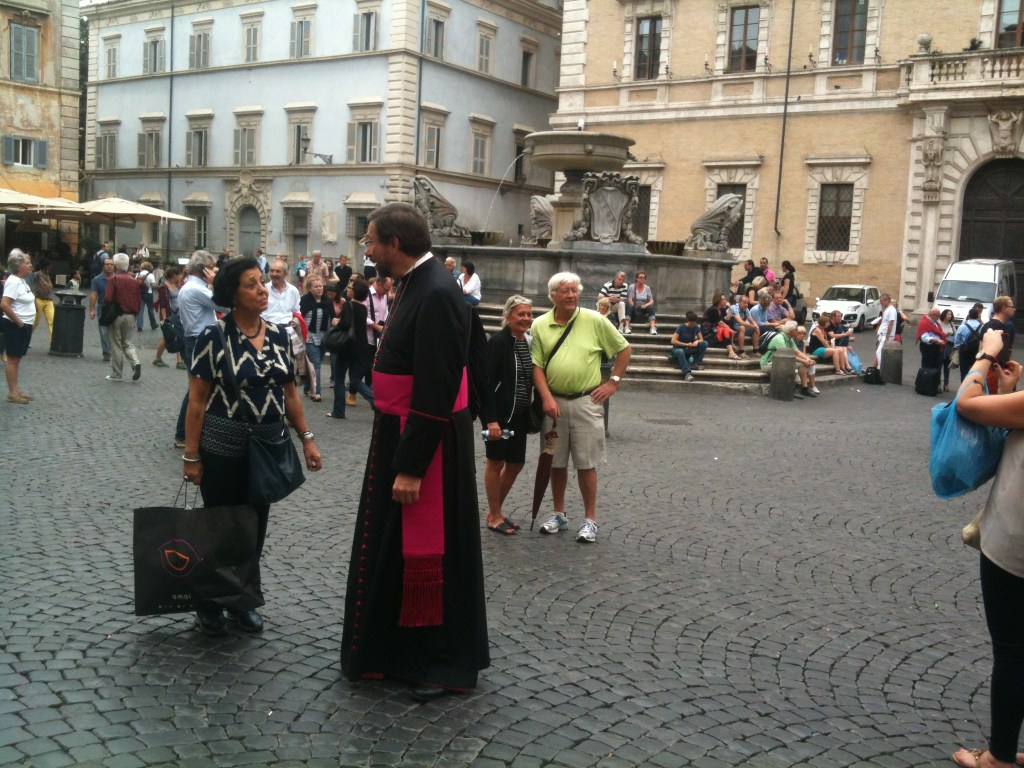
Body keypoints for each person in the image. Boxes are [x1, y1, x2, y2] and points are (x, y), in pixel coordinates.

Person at [340, 202, 489, 702]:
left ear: (395, 246)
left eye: (370, 239)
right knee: (394, 548)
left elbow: (438, 386)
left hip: (425, 439)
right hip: (399, 430)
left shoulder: (438, 293)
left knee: (430, 555)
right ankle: (396, 652)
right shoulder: (413, 285)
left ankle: (437, 663)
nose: (366, 247)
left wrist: (411, 465)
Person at [183, 256, 322, 636]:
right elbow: (196, 401)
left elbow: (291, 394)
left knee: (254, 529)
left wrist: (307, 438)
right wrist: (191, 457)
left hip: (267, 446)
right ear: (232, 294)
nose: (262, 290)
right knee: (221, 527)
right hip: (223, 446)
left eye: (262, 282)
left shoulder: (280, 335)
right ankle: (209, 604)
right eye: (252, 284)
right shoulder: (215, 337)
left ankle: (242, 602)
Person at [952, 328, 1024, 768]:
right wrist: (1011, 392)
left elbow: (967, 404)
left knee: (1013, 650)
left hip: (1016, 544)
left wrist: (984, 355)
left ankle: (997, 757)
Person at [532, 272, 631, 543]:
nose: (571, 295)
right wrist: (546, 398)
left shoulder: (594, 319)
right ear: (553, 295)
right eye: (565, 291)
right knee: (556, 462)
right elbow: (537, 366)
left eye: (575, 290)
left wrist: (613, 382)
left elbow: (624, 349)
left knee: (587, 464)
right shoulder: (540, 324)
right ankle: (559, 514)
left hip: (586, 402)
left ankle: (590, 519)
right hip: (554, 404)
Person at [481, 295, 535, 535]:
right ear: (508, 316)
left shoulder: (527, 342)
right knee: (495, 462)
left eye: (528, 314)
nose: (525, 318)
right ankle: (494, 515)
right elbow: (486, 384)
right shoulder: (498, 342)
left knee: (516, 463)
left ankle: (495, 511)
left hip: (520, 415)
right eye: (520, 314)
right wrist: (490, 419)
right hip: (500, 416)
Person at [174, 251, 219, 449]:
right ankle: (183, 434)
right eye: (213, 268)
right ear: (204, 270)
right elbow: (224, 304)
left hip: (195, 338)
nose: (215, 271)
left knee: (197, 388)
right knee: (196, 390)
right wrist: (217, 283)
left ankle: (187, 432)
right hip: (200, 340)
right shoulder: (196, 289)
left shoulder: (191, 286)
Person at [328, 279, 374, 418]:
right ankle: (374, 400)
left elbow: (346, 324)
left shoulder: (349, 305)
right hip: (360, 347)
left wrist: (337, 322)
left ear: (355, 291)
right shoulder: (363, 308)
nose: (347, 289)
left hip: (347, 347)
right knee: (355, 380)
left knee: (340, 379)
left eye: (350, 287)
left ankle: (338, 411)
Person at [1, 250, 36, 404]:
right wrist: (18, 321)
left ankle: (15, 389)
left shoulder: (22, 280)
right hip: (16, 325)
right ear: (19, 266)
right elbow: (4, 304)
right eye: (27, 263)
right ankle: (12, 392)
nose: (30, 265)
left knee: (17, 359)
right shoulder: (14, 281)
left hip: (24, 324)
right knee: (13, 358)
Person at [104, 253, 143, 384]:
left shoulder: (113, 279)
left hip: (117, 315)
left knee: (116, 344)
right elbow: (138, 300)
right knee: (127, 342)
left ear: (115, 265)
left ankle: (117, 373)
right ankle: (135, 362)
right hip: (131, 315)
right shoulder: (134, 281)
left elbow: (108, 298)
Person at [760, 320, 816, 398]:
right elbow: (788, 356)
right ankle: (791, 389)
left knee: (803, 365)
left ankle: (804, 388)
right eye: (796, 329)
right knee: (789, 366)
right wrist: (804, 360)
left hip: (782, 361)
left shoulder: (790, 338)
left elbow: (797, 352)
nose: (797, 331)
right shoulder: (779, 339)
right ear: (791, 331)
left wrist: (808, 359)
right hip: (768, 364)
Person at [299, 274, 332, 402]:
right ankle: (316, 392)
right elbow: (299, 317)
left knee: (313, 364)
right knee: (316, 364)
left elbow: (332, 316)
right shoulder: (305, 301)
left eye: (321, 286)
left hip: (324, 337)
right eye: (316, 286)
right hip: (309, 337)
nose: (319, 288)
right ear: (310, 288)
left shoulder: (327, 301)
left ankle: (307, 387)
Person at [980, 296, 1017, 392]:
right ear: (1004, 309)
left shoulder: (988, 324)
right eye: (1012, 307)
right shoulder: (999, 326)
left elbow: (980, 349)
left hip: (987, 369)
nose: (1014, 309)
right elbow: (1003, 354)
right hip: (995, 371)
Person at [153, 266, 183, 368]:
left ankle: (179, 361)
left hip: (177, 315)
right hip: (169, 316)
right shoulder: (163, 287)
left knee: (178, 336)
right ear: (174, 275)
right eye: (179, 274)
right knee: (167, 338)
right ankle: (157, 358)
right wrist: (165, 319)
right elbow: (163, 303)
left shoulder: (176, 285)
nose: (180, 276)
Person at [89, 258, 115, 362]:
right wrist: (92, 309)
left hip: (115, 307)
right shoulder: (97, 279)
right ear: (103, 266)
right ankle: (107, 353)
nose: (109, 266)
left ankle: (115, 351)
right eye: (107, 264)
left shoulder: (117, 278)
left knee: (114, 330)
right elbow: (93, 294)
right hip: (103, 306)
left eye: (111, 264)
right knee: (103, 331)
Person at [670, 311, 707, 382]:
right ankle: (687, 373)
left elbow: (701, 339)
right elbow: (673, 341)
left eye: (694, 324)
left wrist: (697, 341)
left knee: (704, 343)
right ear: (687, 321)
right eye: (691, 324)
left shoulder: (696, 327)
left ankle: (696, 363)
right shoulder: (681, 327)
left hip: (689, 349)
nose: (692, 325)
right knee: (680, 351)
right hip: (678, 349)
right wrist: (686, 344)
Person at [956, 306, 985, 383]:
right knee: (974, 369)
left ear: (969, 316)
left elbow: (957, 339)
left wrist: (957, 346)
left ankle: (963, 386)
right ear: (977, 316)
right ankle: (972, 385)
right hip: (977, 350)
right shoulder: (982, 327)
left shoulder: (962, 326)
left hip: (964, 349)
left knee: (964, 370)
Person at [917, 306, 947, 373]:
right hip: (929, 347)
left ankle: (932, 381)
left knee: (935, 366)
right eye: (938, 315)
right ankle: (927, 381)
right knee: (928, 366)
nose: (939, 317)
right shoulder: (924, 322)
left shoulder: (934, 322)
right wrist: (937, 340)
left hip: (936, 347)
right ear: (933, 315)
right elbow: (924, 338)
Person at [627, 271, 658, 335]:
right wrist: (634, 305)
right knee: (629, 306)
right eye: (640, 277)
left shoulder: (647, 288)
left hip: (643, 306)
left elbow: (651, 301)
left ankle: (652, 327)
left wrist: (646, 305)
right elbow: (629, 300)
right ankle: (627, 326)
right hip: (634, 306)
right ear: (637, 278)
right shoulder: (632, 287)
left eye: (643, 278)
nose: (642, 279)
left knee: (651, 307)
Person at [875, 293, 899, 367]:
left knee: (879, 353)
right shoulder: (887, 309)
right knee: (880, 352)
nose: (881, 303)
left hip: (886, 335)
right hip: (883, 334)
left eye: (881, 301)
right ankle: (880, 367)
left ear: (886, 300)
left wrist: (887, 336)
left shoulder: (891, 310)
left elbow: (891, 323)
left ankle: (880, 368)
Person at [135, 260, 159, 331]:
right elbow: (153, 285)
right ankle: (153, 324)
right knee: (150, 310)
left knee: (140, 310)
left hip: (140, 293)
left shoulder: (138, 274)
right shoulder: (150, 275)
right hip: (148, 293)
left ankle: (139, 326)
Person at [938, 308, 956, 392]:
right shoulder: (939, 323)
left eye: (951, 314)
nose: (950, 316)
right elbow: (937, 333)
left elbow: (955, 334)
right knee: (939, 365)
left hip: (949, 346)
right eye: (948, 314)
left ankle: (946, 384)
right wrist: (945, 335)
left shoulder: (952, 324)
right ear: (944, 315)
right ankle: (938, 383)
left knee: (947, 366)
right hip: (941, 345)